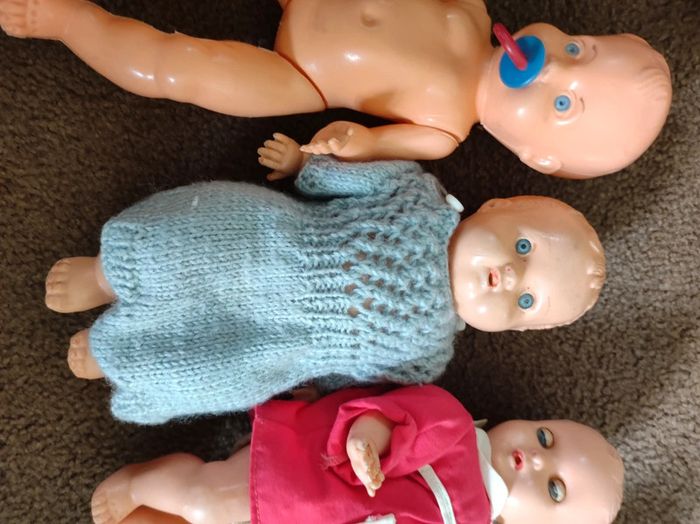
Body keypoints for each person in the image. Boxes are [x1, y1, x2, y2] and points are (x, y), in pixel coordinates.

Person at [44, 134, 605, 424]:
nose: (509, 276)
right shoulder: (417, 193)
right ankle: (108, 275)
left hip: (278, 348)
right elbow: (348, 181)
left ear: (508, 330)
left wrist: (321, 398)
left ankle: (119, 355)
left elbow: (364, 391)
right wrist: (304, 166)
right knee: (183, 243)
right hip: (268, 241)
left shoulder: (427, 359)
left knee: (201, 365)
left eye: (526, 300)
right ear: (496, 207)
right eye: (523, 247)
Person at [0, 0, 671, 177]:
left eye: (561, 103)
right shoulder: (472, 12)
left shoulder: (443, 131)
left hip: (303, 75)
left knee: (180, 69)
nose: (552, 66)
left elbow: (367, 145)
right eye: (577, 50)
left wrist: (347, 144)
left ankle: (71, 21)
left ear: (534, 156)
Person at [90, 385, 625, 524]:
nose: (536, 459)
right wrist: (366, 439)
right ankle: (143, 481)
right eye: (546, 439)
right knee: (209, 503)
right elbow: (398, 418)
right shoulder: (459, 431)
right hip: (302, 478)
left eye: (554, 488)